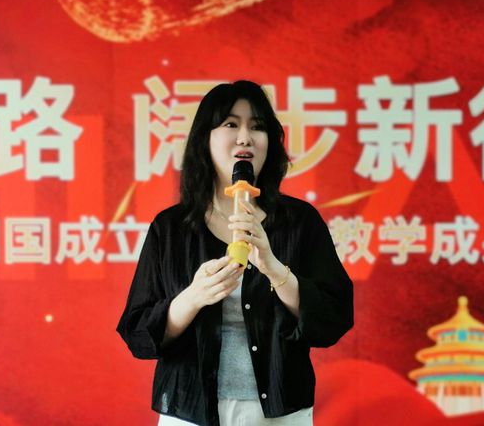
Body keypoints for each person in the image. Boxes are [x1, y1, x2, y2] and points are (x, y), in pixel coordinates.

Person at [117, 80, 354, 426]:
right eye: (231, 124)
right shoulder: (171, 228)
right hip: (190, 409)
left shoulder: (299, 222)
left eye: (257, 127)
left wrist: (275, 270)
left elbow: (333, 316)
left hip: (280, 411)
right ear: (205, 139)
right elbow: (138, 332)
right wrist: (194, 297)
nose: (245, 138)